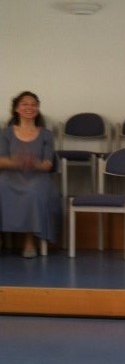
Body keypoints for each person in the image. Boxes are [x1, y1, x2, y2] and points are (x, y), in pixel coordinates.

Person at [0, 91, 61, 256]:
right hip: (10, 175)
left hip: (38, 176)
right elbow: (1, 161)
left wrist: (35, 164)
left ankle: (29, 242)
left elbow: (47, 164)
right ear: (17, 109)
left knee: (33, 191)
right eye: (25, 104)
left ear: (38, 108)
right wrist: (16, 162)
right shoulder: (5, 133)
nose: (29, 107)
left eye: (33, 104)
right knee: (1, 186)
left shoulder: (46, 134)